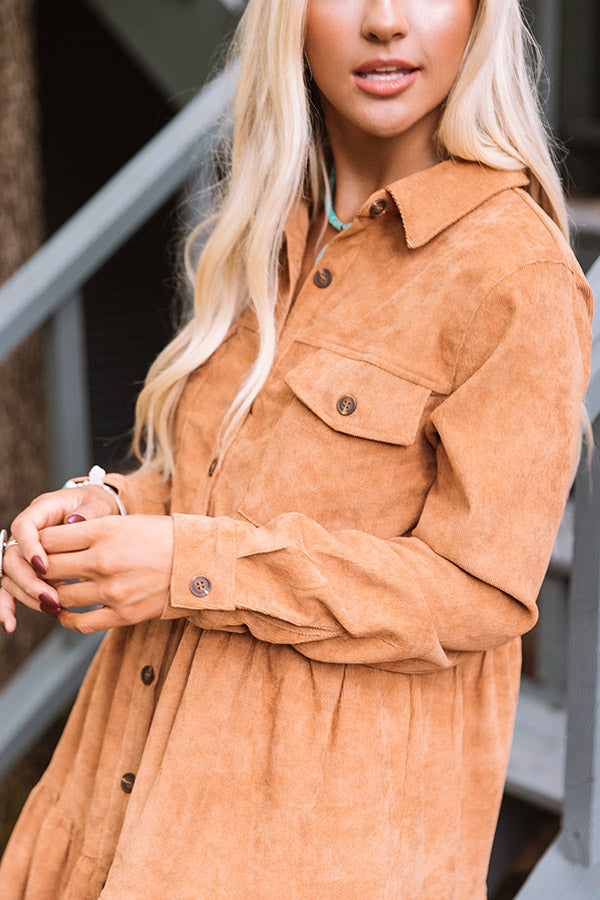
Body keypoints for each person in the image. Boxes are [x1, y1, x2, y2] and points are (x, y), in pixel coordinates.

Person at [0, 0, 593, 896]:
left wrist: (186, 564)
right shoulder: (266, 224)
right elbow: (225, 479)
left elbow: (479, 592)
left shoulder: (515, 274)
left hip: (306, 842)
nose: (387, 22)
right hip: (121, 790)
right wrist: (115, 511)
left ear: (480, 16)